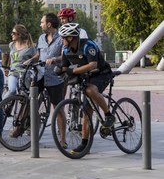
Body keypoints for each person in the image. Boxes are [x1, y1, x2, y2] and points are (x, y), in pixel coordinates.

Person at [57, 22, 114, 154]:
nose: (61, 40)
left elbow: (93, 65)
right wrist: (59, 69)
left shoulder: (88, 46)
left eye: (63, 37)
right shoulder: (66, 50)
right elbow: (65, 67)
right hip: (87, 76)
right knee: (86, 111)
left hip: (102, 73)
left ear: (70, 38)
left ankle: (109, 115)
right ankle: (84, 144)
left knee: (89, 90)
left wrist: (75, 71)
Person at [27, 13, 66, 146]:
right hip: (41, 75)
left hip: (55, 77)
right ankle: (24, 129)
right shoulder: (41, 38)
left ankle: (62, 139)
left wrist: (55, 59)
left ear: (49, 24)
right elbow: (39, 54)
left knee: (58, 108)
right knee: (30, 102)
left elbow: (64, 56)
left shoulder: (62, 39)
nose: (40, 24)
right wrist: (31, 60)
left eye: (42, 22)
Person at [4, 24, 36, 99]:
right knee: (12, 90)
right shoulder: (11, 45)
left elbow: (37, 56)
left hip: (25, 74)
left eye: (13, 33)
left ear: (19, 35)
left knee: (27, 94)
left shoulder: (30, 47)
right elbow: (10, 58)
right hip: (13, 72)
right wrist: (7, 68)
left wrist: (30, 60)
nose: (11, 34)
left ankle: (26, 109)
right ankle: (1, 107)